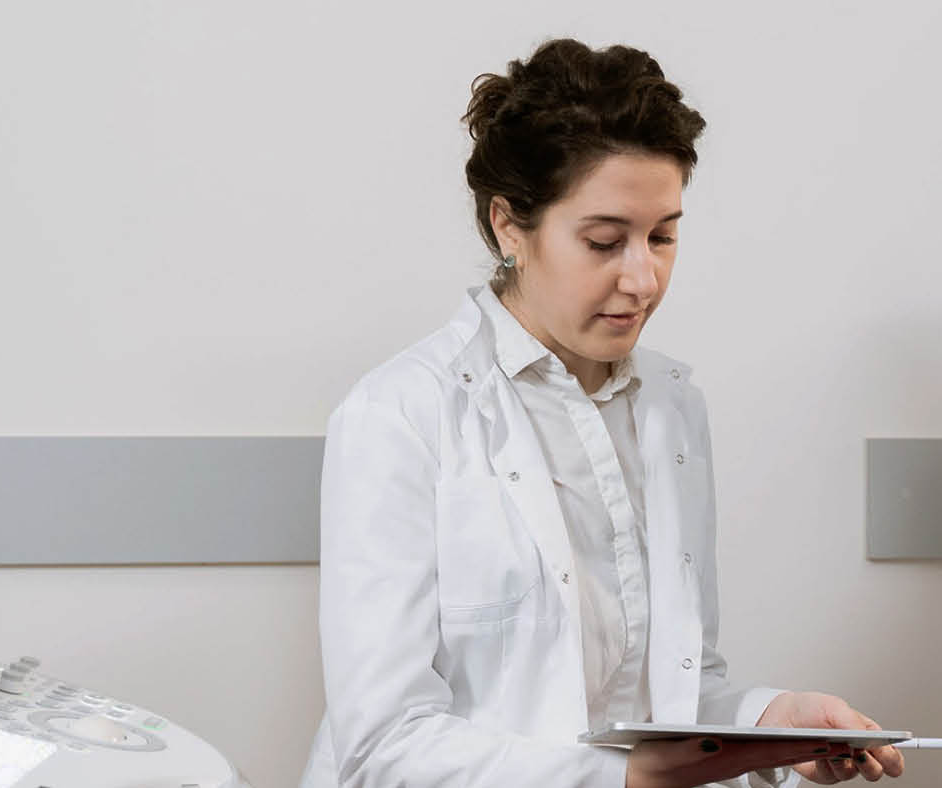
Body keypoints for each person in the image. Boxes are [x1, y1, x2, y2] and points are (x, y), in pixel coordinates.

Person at [302, 38, 906, 788]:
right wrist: (617, 779)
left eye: (663, 236)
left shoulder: (671, 410)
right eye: (603, 241)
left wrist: (772, 724)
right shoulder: (400, 416)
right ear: (508, 227)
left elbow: (668, 693)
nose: (643, 277)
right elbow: (383, 746)